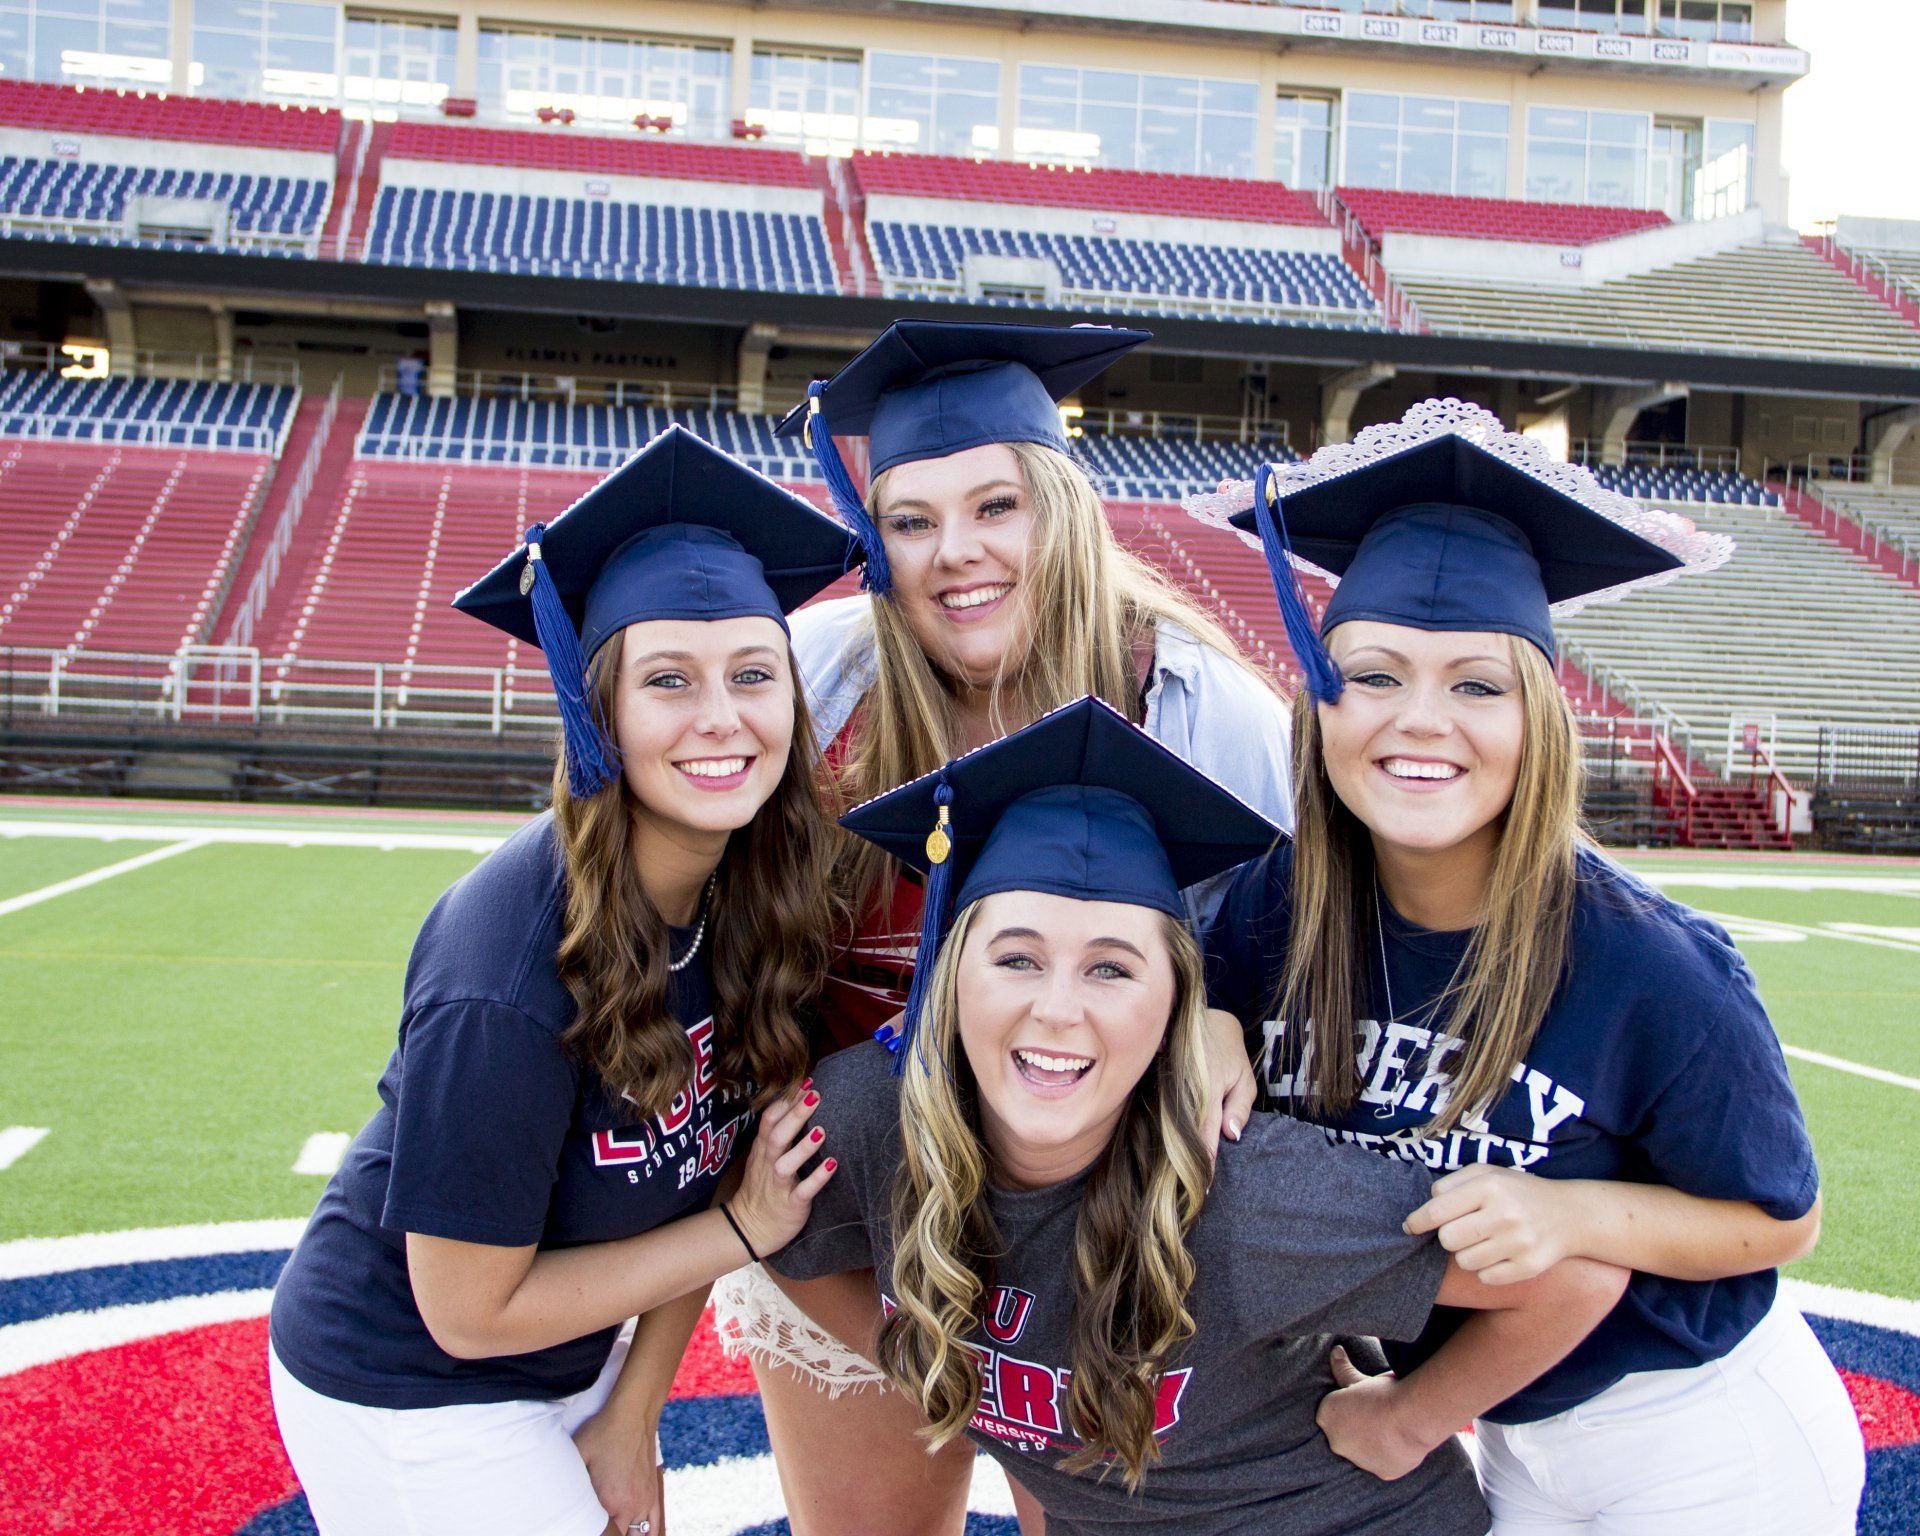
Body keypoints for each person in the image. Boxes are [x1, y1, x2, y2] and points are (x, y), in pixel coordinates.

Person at [1192, 399, 1867, 1535]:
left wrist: (1577, 1216)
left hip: (1700, 1438)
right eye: (1375, 676)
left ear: (1539, 718)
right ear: (1317, 694)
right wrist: (1206, 1016)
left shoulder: (1649, 965)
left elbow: (1777, 1219)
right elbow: (1182, 966)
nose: (1420, 722)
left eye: (1477, 685)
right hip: (1507, 1433)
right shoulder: (1274, 910)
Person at [771, 695, 1628, 1536]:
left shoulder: (1246, 1190)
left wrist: (1408, 1419)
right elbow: (775, 1236)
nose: (1059, 1010)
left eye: (1111, 969)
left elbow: (1572, 1280)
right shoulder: (870, 1114)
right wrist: (932, 1367)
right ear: (949, 977)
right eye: (1017, 958)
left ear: (1178, 1001)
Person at [713, 320, 1293, 1531]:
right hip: (852, 1225)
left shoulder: (1194, 702)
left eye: (996, 506)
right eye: (911, 520)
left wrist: (1228, 1012)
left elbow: (1299, 945)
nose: (954, 555)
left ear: (1066, 510)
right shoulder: (814, 675)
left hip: (1105, 1244)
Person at [267, 426, 853, 1536]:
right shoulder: (506, 965)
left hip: (570, 1354)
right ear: (599, 714)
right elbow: (467, 1314)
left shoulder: (756, 899)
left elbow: (707, 1173)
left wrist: (634, 1414)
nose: (722, 718)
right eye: (668, 681)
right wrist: (745, 1232)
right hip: (411, 1382)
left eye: (754, 676)